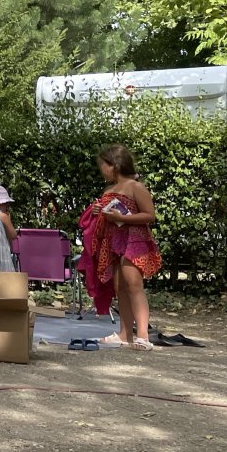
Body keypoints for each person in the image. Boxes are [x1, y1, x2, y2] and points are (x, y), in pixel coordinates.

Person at [78, 144, 162, 349]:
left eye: (103, 165)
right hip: (114, 243)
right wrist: (98, 211)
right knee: (120, 288)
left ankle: (143, 335)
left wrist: (122, 217)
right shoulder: (109, 189)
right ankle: (125, 334)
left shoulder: (135, 186)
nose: (101, 170)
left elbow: (150, 215)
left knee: (133, 285)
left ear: (114, 165)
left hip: (134, 240)